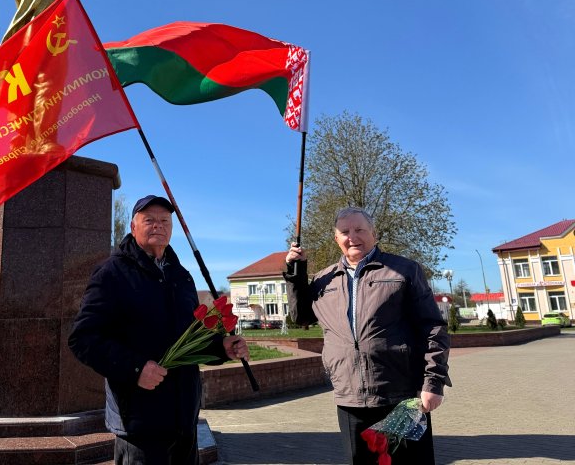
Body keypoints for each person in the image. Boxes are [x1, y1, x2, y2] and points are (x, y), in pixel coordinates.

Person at [69, 195, 249, 465]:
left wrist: (220, 347)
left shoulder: (182, 276)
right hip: (140, 423)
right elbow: (83, 338)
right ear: (133, 226)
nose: (158, 226)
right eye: (149, 220)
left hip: (184, 420)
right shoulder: (111, 273)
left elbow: (190, 336)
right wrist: (136, 369)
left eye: (164, 220)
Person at [284, 206, 451, 464]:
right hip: (350, 397)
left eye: (360, 229)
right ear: (336, 239)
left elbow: (433, 327)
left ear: (373, 233)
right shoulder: (323, 280)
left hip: (401, 394)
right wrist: (296, 274)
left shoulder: (404, 270)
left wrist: (433, 383)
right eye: (345, 231)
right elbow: (301, 317)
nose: (353, 236)